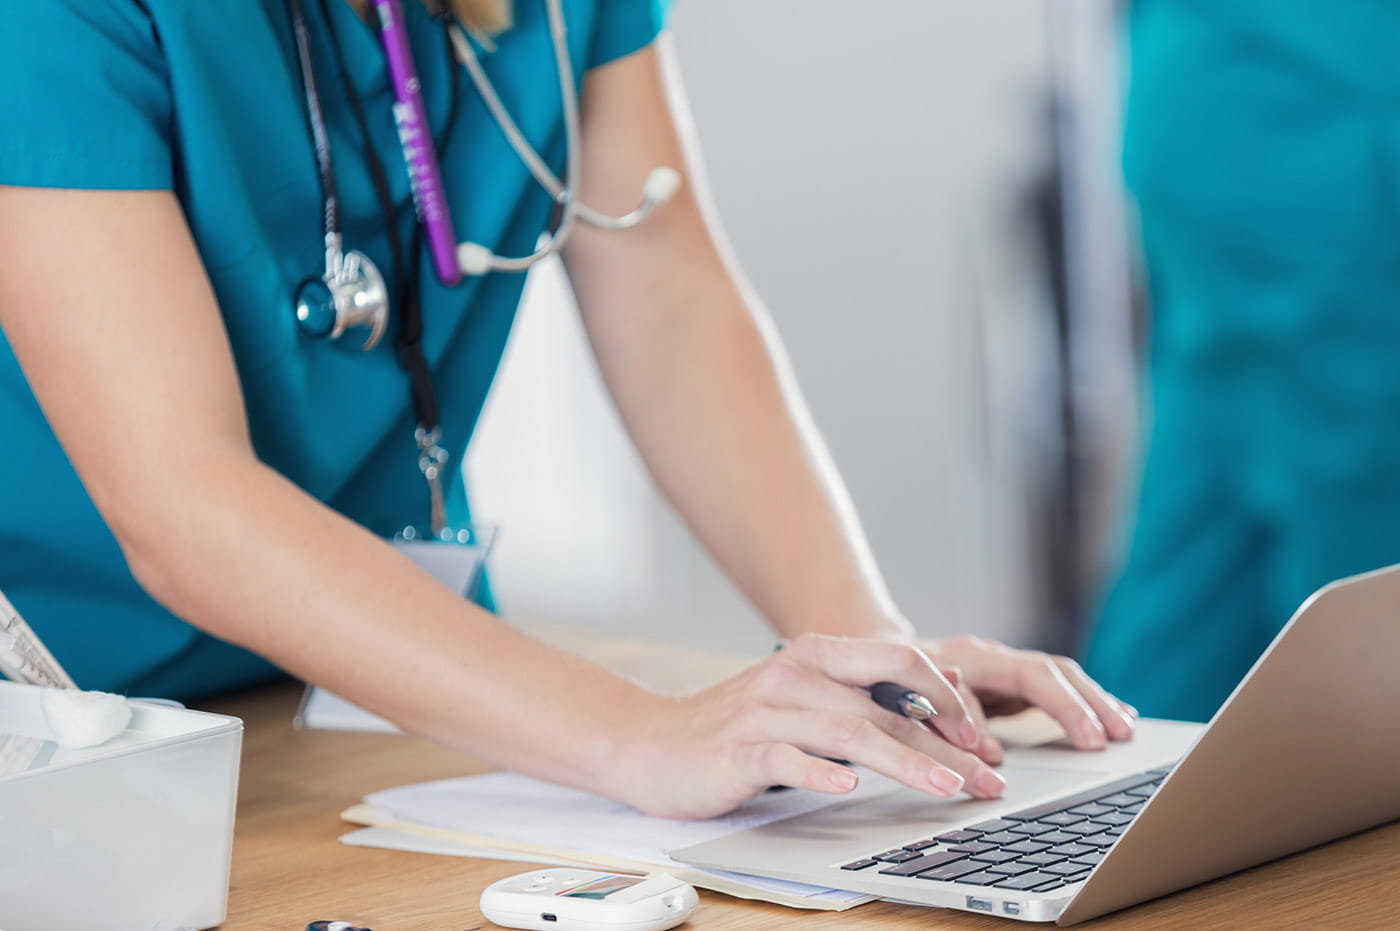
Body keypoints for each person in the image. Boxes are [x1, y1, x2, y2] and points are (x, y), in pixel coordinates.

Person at [0, 0, 1134, 820]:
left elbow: (672, 306)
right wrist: (638, 735)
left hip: (386, 683)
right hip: (64, 734)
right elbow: (179, 505)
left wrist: (876, 665)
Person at [1085, 0, 1400, 722]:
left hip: (1229, 99)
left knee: (1198, 584)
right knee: (1362, 668)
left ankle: (1102, 817)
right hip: (1325, 133)